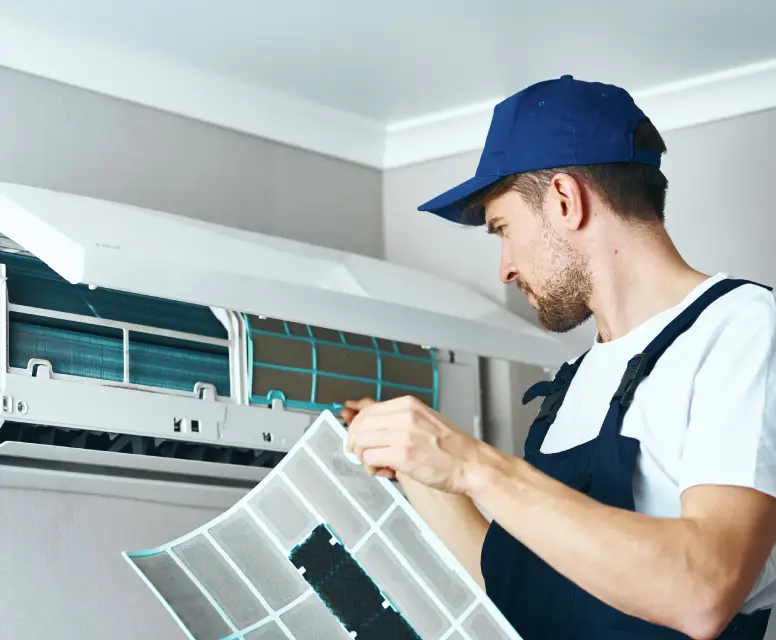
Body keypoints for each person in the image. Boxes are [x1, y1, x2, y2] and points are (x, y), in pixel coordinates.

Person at [342, 75, 776, 640]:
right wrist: (422, 470)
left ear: (566, 200)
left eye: (503, 228)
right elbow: (520, 595)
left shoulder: (741, 328)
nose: (504, 268)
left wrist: (475, 464)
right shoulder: (573, 384)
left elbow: (704, 590)